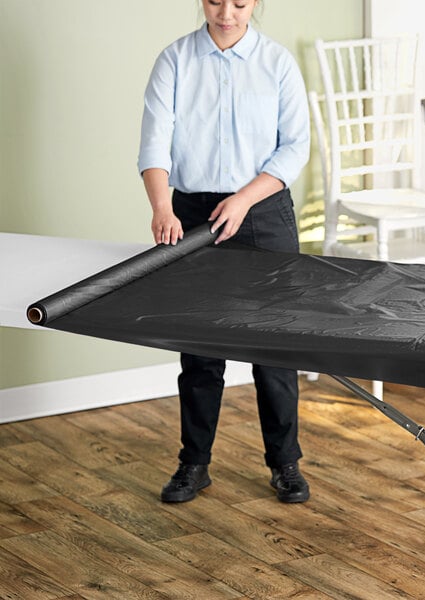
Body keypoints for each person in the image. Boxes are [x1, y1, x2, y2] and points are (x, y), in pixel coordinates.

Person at [138, 0, 310, 504]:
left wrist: (243, 199)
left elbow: (295, 145)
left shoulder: (277, 63)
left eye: (240, 2)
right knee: (200, 348)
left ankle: (285, 463)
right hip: (190, 213)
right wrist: (161, 208)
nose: (227, 13)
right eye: (216, 0)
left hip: (262, 210)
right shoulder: (174, 60)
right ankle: (193, 464)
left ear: (256, 3)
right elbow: (155, 143)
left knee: (274, 348)